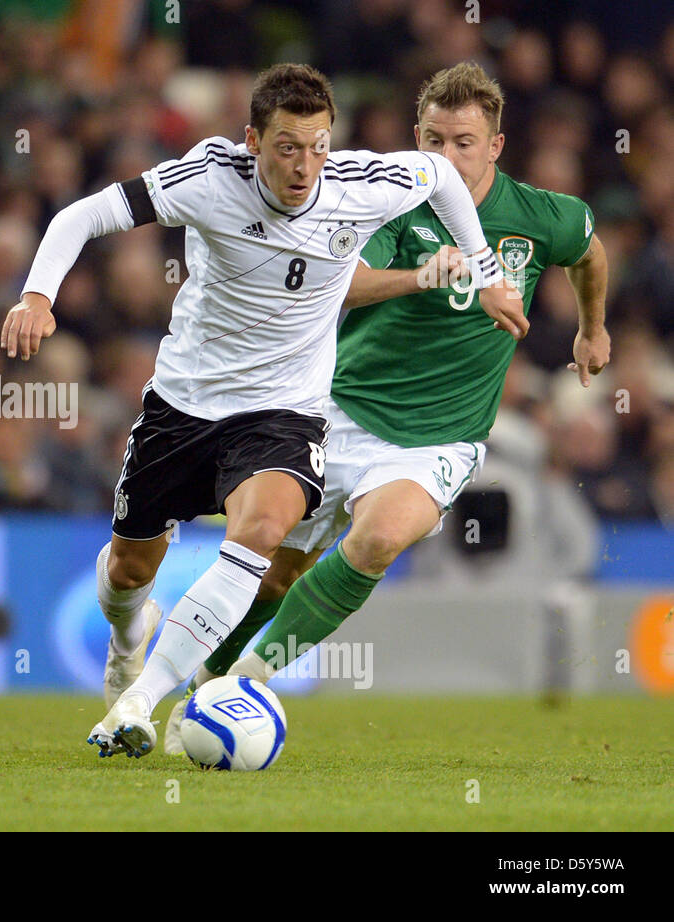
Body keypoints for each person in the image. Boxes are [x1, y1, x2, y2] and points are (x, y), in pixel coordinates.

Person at [0, 63, 525, 759]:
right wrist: (37, 297)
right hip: (184, 404)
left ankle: (139, 702)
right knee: (129, 571)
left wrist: (487, 275)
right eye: (286, 147)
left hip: (286, 411)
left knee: (263, 530)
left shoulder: (360, 184)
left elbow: (445, 181)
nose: (305, 166)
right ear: (252, 140)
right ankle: (130, 640)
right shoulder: (207, 179)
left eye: (317, 146)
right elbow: (83, 214)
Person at [163, 61, 610, 753]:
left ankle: (242, 685)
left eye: (464, 142)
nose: (447, 156)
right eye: (434, 140)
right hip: (337, 412)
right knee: (277, 572)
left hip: (439, 439)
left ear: (495, 146)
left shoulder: (539, 216)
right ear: (415, 138)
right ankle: (206, 688)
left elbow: (588, 251)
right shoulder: (393, 205)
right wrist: (423, 276)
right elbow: (345, 284)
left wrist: (592, 327)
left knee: (377, 538)